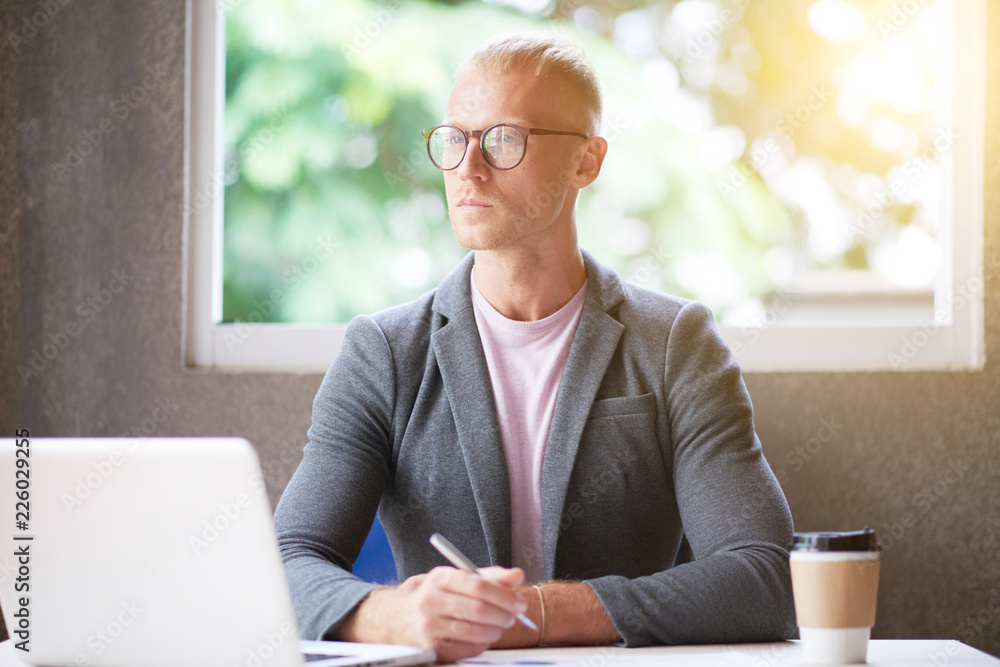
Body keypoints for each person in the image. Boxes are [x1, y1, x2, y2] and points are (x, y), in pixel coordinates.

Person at [273, 31, 795, 662]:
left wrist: (536, 612)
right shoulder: (382, 353)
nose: (469, 166)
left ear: (586, 162)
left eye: (504, 138)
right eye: (456, 138)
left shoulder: (677, 344)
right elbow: (282, 564)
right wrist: (395, 615)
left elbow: (767, 577)